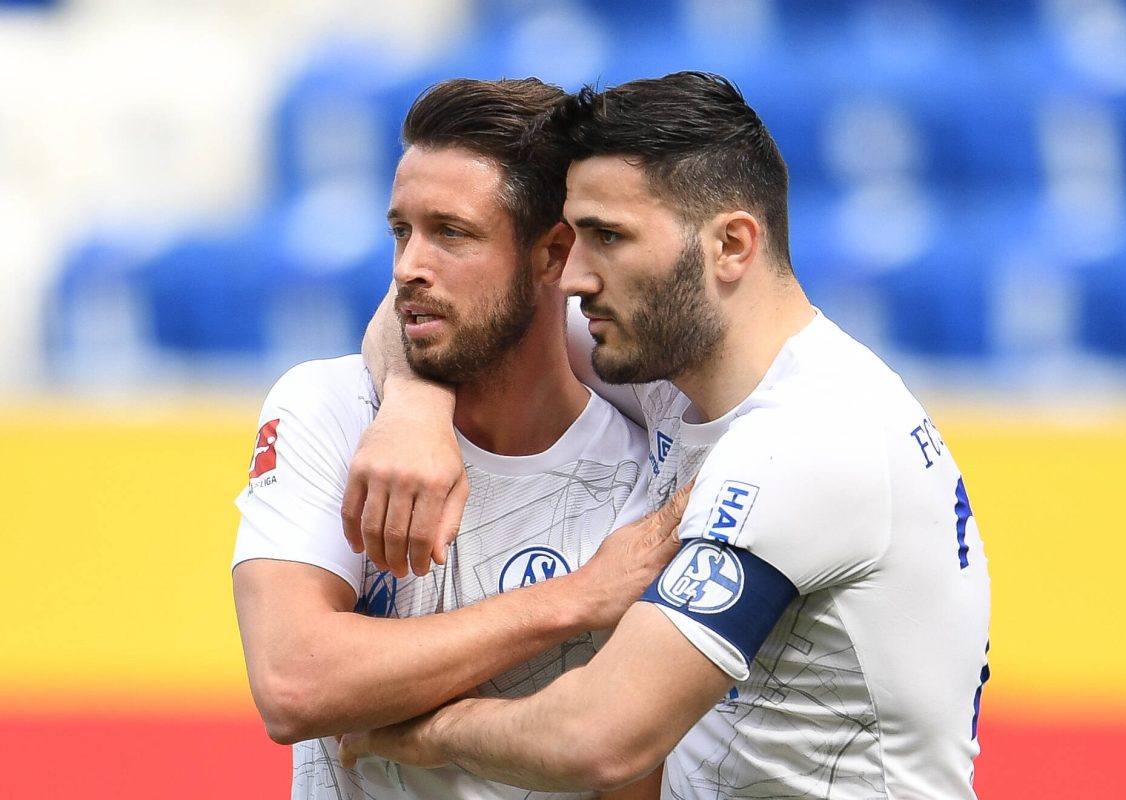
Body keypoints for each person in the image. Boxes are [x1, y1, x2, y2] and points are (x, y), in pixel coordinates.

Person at [338, 72, 993, 799]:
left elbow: (599, 736)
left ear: (731, 246)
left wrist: (419, 735)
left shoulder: (807, 442)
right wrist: (414, 407)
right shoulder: (680, 368)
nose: (575, 277)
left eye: (609, 238)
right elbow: (443, 307)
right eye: (575, 237)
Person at [231, 77, 683, 800]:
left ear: (552, 255)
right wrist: (575, 599)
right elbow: (293, 681)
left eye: (451, 233)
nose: (409, 265)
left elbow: (631, 774)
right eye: (401, 230)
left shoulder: (649, 478)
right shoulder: (329, 405)